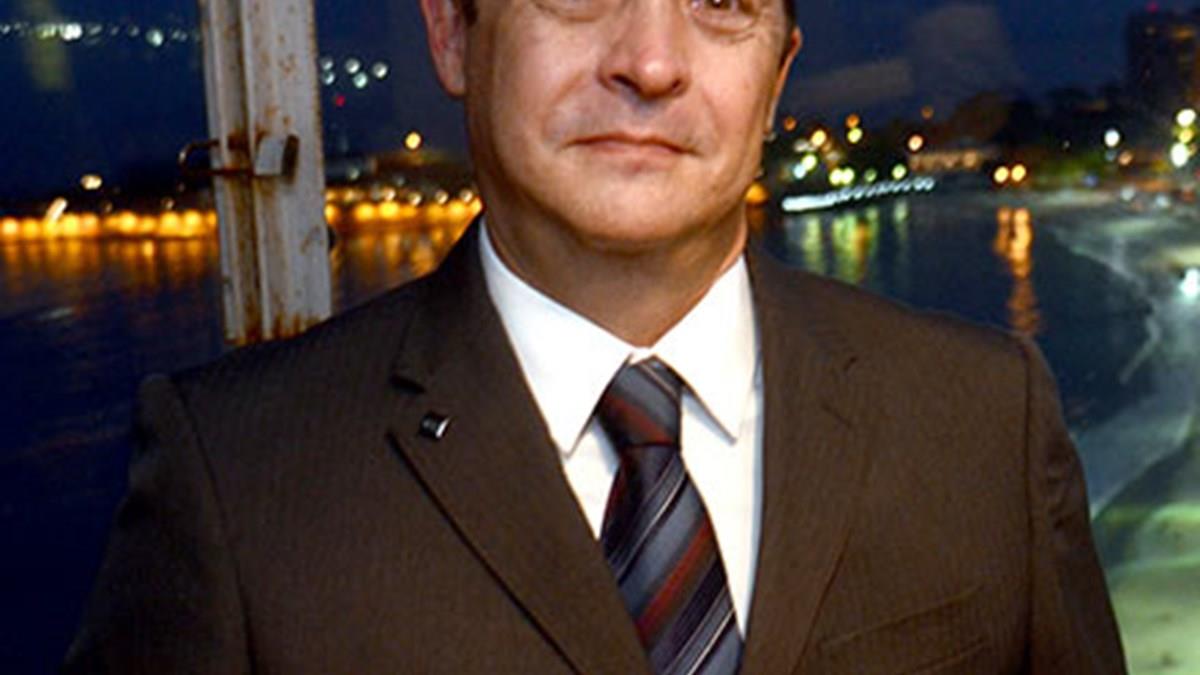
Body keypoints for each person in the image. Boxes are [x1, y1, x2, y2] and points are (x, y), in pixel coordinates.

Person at [65, 0, 1127, 672]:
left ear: (776, 78)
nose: (652, 62)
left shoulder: (981, 419)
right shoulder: (237, 478)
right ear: (452, 33)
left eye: (722, 4)